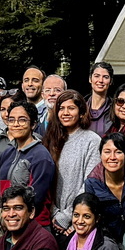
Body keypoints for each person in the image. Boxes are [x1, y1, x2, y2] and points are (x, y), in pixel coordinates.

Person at [45, 91, 102, 229]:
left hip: (78, 219)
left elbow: (89, 184)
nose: (65, 113)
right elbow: (45, 181)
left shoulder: (92, 141)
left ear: (81, 113)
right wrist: (54, 212)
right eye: (61, 108)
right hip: (52, 217)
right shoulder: (51, 139)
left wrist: (67, 216)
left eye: (71, 108)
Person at [0, 100, 56, 209]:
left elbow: (37, 197)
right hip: (7, 214)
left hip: (31, 216)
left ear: (33, 124)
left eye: (22, 120)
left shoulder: (41, 156)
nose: (16, 124)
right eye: (11, 120)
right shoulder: (7, 152)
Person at [87, 62, 117, 134]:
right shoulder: (80, 108)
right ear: (90, 79)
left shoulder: (116, 109)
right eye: (97, 76)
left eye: (105, 77)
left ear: (111, 81)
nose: (100, 80)